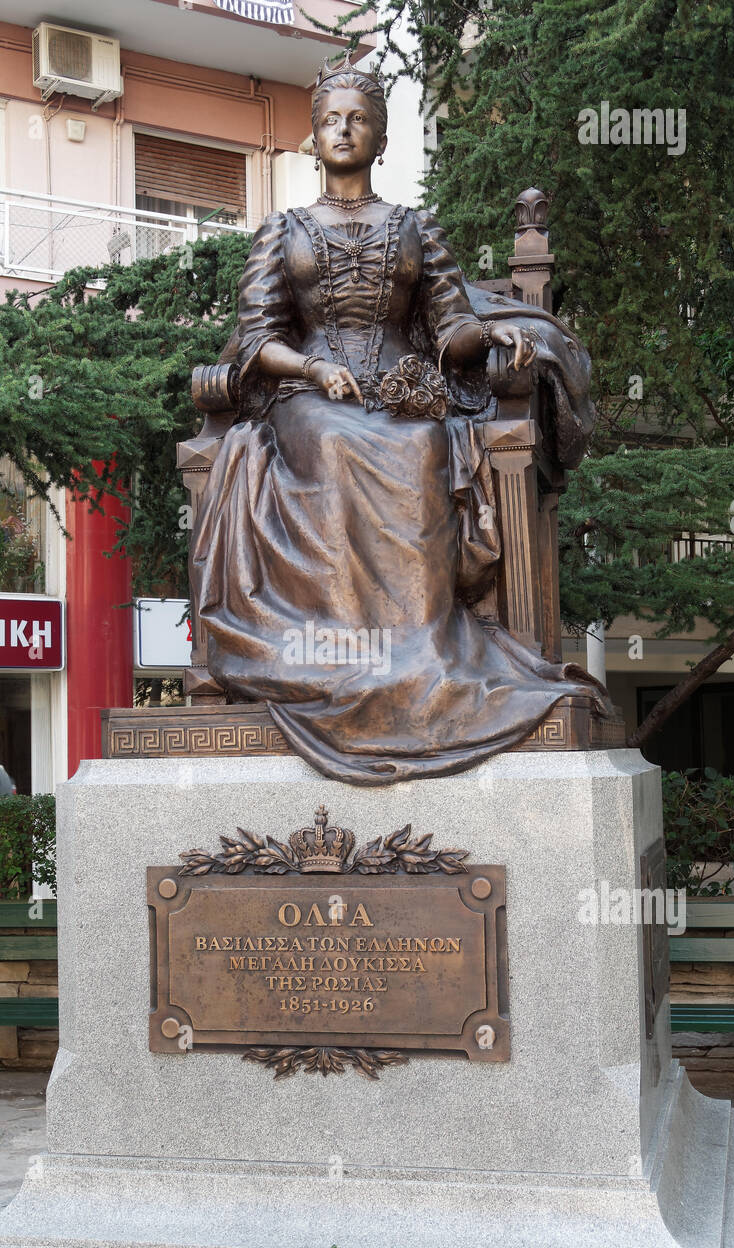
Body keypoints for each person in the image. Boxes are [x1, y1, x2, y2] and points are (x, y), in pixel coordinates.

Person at [192, 57, 613, 785]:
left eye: (359, 119)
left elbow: (450, 330)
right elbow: (259, 340)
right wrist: (314, 369)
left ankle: (419, 656)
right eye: (331, 120)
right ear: (314, 137)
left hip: (399, 396)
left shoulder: (415, 227)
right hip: (307, 399)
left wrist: (493, 336)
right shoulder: (282, 229)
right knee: (331, 441)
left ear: (380, 136)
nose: (344, 129)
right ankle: (342, 660)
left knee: (423, 448)